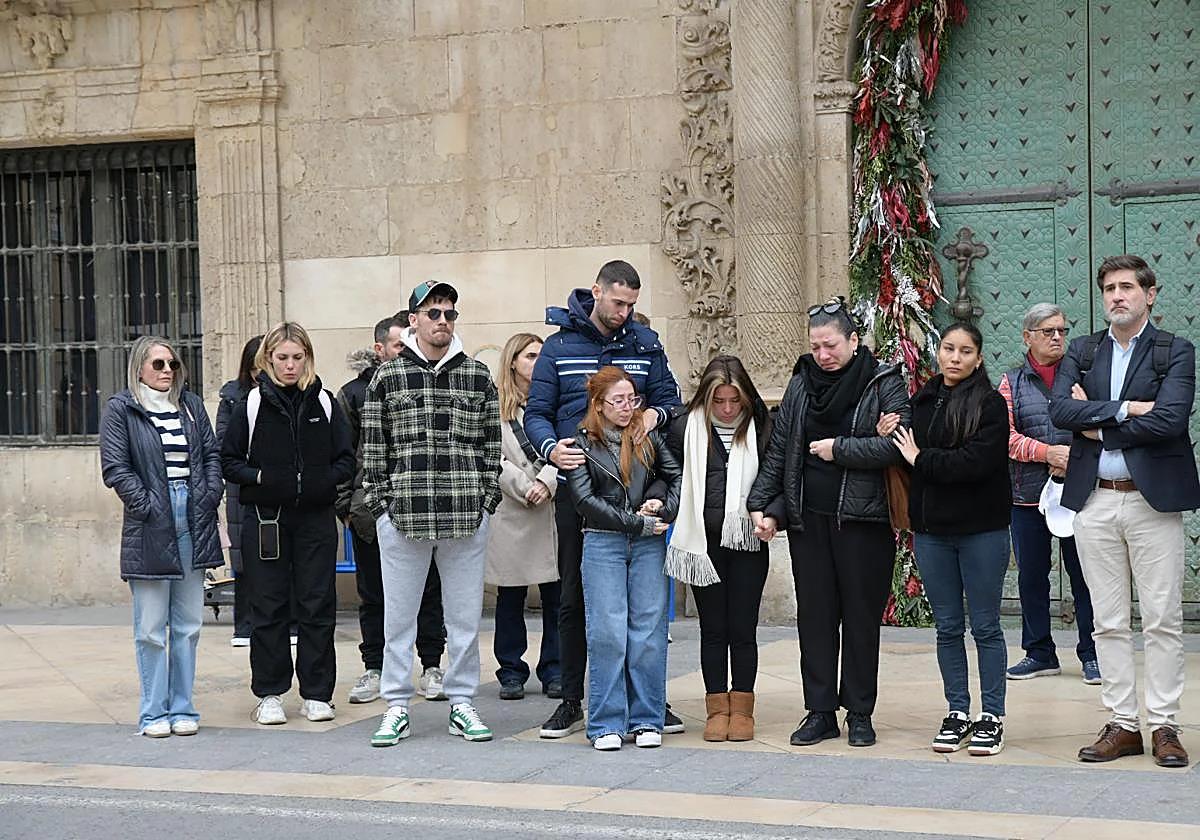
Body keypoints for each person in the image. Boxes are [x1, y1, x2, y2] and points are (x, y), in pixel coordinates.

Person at [1049, 254, 1199, 769]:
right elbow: (1059, 411)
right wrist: (1129, 407)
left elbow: (1172, 420)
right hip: (1094, 499)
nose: (1117, 295)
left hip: (1151, 500)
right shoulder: (1083, 350)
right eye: (1109, 287)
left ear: (1149, 295)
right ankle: (1122, 723)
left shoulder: (1174, 351)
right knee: (1107, 621)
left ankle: (1163, 725)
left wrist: (1097, 423)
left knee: (1161, 618)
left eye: (1127, 287)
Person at [524, 259, 683, 739]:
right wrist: (553, 450)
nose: (624, 312)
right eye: (618, 302)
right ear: (596, 292)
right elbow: (537, 413)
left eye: (632, 304)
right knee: (576, 595)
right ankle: (573, 696)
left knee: (643, 610)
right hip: (582, 487)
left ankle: (646, 702)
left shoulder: (644, 343)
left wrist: (654, 413)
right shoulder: (559, 347)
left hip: (638, 483)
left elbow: (670, 399)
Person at [747, 298, 910, 749]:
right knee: (816, 620)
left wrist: (839, 449)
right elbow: (782, 450)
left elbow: (899, 447)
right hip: (808, 520)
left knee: (860, 618)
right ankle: (819, 711)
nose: (823, 354)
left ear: (854, 341)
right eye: (816, 346)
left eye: (831, 344)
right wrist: (761, 503)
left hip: (864, 520)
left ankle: (860, 713)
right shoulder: (801, 384)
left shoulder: (883, 383)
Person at [363, 281, 502, 746]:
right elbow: (373, 450)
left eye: (450, 313)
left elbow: (491, 447)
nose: (443, 320)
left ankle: (462, 702)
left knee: (463, 619)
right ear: (414, 320)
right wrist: (382, 507)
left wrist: (486, 503)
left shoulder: (478, 377)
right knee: (398, 619)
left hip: (465, 515)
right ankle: (396, 706)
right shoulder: (388, 377)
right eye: (433, 312)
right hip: (403, 515)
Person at [882, 322, 1011, 756]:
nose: (954, 358)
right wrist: (891, 434)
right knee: (948, 627)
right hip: (933, 532)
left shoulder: (991, 404)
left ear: (978, 358)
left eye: (965, 351)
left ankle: (991, 716)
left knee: (987, 626)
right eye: (948, 348)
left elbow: (977, 462)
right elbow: (904, 456)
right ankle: (958, 711)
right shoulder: (922, 400)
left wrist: (923, 458)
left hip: (982, 531)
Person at [220, 322, 355, 726]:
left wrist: (321, 481)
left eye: (298, 357)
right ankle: (269, 692)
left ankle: (317, 693)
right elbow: (229, 460)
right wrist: (263, 478)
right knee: (268, 607)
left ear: (308, 358)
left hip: (314, 517)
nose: (290, 366)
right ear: (268, 360)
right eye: (283, 358)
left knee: (317, 605)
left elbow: (346, 459)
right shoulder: (251, 404)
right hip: (266, 519)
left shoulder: (325, 403)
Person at [100, 336, 224, 737]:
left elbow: (211, 455)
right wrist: (149, 506)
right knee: (151, 627)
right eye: (157, 364)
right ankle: (153, 713)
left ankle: (183, 708)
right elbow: (115, 468)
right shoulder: (121, 409)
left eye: (171, 363)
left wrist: (207, 495)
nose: (167, 370)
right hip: (152, 519)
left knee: (188, 622)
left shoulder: (190, 406)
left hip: (194, 513)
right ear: (139, 368)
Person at [666, 356, 780, 742]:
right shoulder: (684, 427)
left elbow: (776, 477)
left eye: (735, 401)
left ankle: (743, 708)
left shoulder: (764, 426)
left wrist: (773, 515)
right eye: (719, 401)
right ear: (706, 398)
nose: (728, 409)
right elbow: (667, 477)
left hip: (749, 539)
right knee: (713, 628)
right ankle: (716, 707)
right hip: (704, 542)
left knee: (743, 628)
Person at [336, 315, 448, 705]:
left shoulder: (431, 383)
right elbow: (342, 455)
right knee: (375, 594)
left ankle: (431, 664)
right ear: (380, 349)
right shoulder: (353, 394)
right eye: (400, 345)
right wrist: (347, 507)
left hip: (424, 509)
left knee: (429, 591)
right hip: (371, 513)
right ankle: (376, 667)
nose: (407, 351)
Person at [569, 366, 681, 751]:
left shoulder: (644, 435)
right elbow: (584, 500)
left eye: (632, 399)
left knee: (649, 630)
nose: (627, 407)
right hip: (603, 541)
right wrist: (635, 523)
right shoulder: (581, 442)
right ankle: (605, 723)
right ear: (598, 405)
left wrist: (662, 506)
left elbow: (674, 474)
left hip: (649, 540)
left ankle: (647, 718)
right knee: (607, 632)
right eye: (617, 401)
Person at [997, 303, 1098, 684]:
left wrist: (1074, 457)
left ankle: (1092, 653)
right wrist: (1046, 453)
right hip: (1026, 496)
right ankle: (1039, 652)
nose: (1057, 338)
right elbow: (1004, 437)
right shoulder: (1011, 382)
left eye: (1061, 330)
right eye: (1047, 331)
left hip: (1078, 493)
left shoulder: (1082, 378)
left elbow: (1097, 421)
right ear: (1028, 337)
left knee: (1084, 575)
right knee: (1032, 576)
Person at [486, 332, 561, 701]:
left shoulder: (555, 403)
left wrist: (548, 481)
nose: (537, 362)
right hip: (513, 509)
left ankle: (555, 669)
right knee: (510, 595)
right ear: (513, 361)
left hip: (549, 505)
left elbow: (569, 445)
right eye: (531, 356)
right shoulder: (494, 405)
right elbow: (490, 454)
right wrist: (522, 484)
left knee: (556, 594)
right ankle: (511, 670)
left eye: (542, 356)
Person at [216, 335, 262, 647]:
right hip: (241, 485)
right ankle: (244, 625)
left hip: (276, 483)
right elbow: (222, 442)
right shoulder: (233, 396)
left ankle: (289, 623)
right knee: (243, 554)